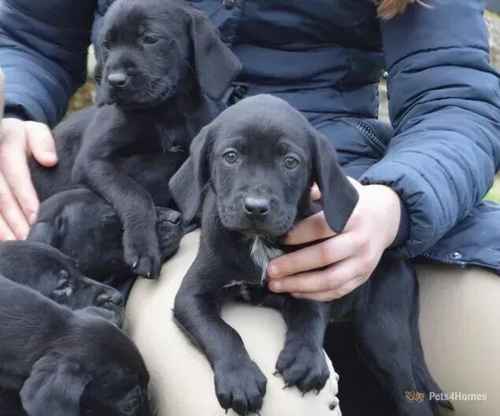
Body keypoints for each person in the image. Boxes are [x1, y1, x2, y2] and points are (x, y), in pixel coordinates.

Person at [0, 0, 499, 414]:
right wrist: (11, 108)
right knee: (268, 403)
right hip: (181, 207)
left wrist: (398, 199)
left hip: (355, 191)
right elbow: (27, 37)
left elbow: (456, 95)